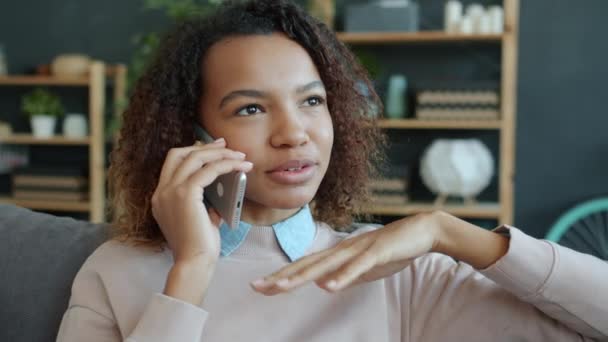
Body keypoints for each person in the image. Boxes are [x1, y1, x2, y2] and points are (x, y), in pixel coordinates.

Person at [57, 1, 608, 341]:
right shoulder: (115, 271)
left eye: (312, 102)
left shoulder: (393, 272)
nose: (294, 132)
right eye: (250, 108)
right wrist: (193, 269)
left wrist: (448, 232)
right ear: (192, 136)